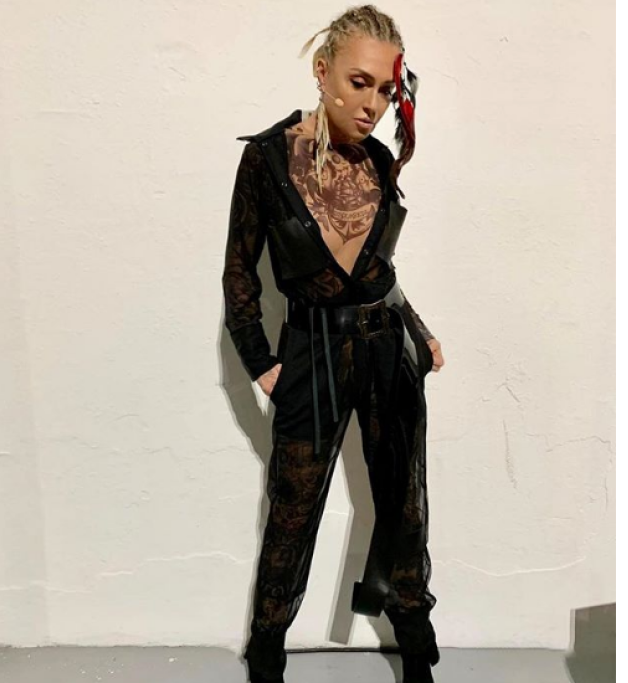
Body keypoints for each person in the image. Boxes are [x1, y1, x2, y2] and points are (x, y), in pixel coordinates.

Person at [222, 6, 444, 682]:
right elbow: (239, 271)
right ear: (323, 73)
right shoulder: (267, 159)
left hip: (387, 349)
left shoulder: (378, 160)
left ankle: (415, 644)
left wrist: (419, 331)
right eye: (358, 83)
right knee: (292, 509)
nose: (372, 104)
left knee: (405, 503)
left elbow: (382, 274)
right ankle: (267, 647)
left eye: (386, 90)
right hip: (310, 351)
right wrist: (262, 362)